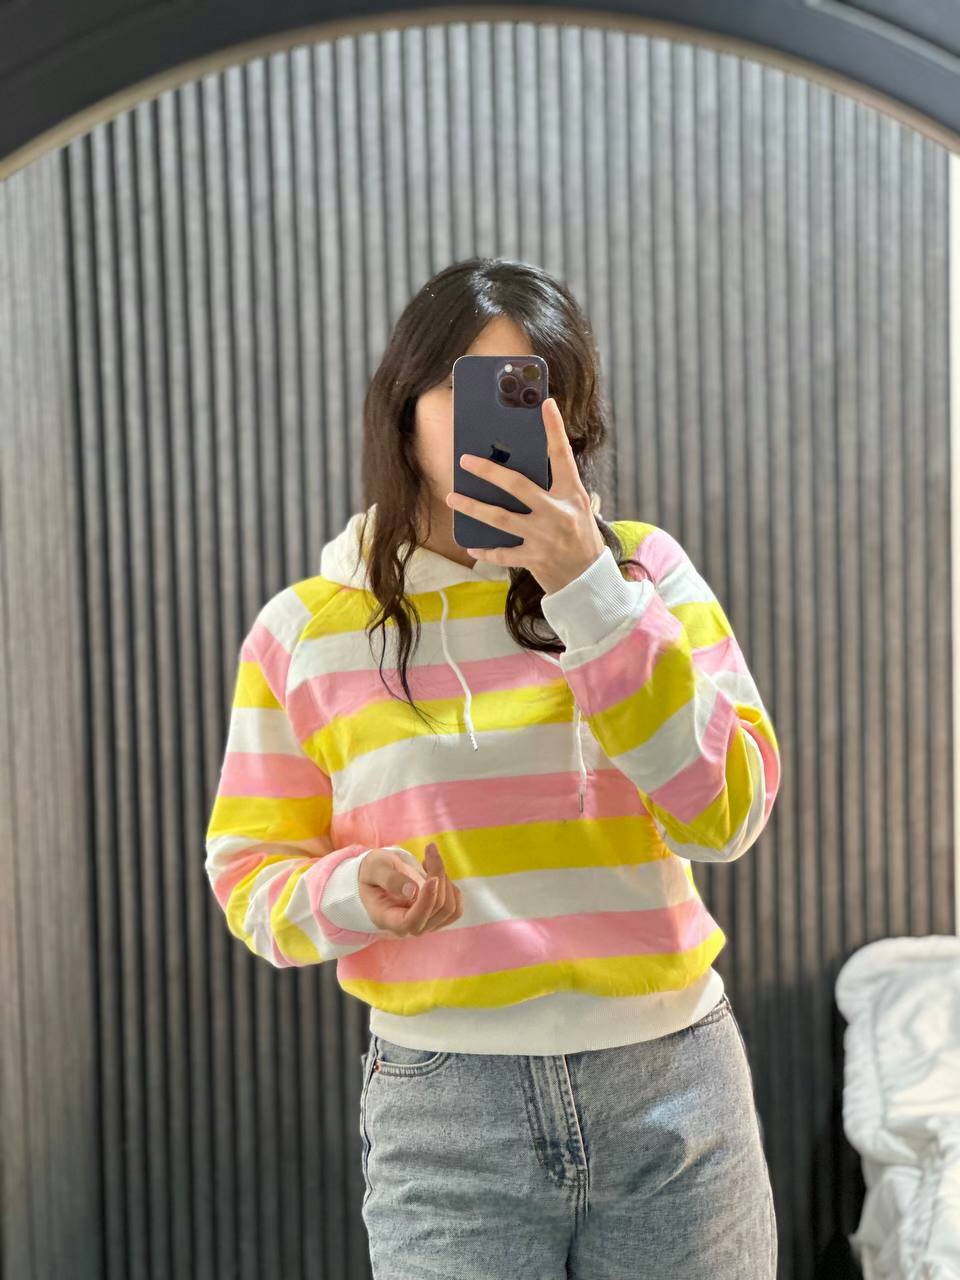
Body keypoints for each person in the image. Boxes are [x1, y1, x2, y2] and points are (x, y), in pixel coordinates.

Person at [204, 257, 781, 1279]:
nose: (500, 425)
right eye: (471, 387)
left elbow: (724, 812)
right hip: (447, 1115)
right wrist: (351, 891)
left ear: (572, 416)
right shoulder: (304, 630)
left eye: (531, 391)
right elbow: (249, 876)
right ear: (404, 404)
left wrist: (589, 592)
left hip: (672, 1092)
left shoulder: (642, 575)